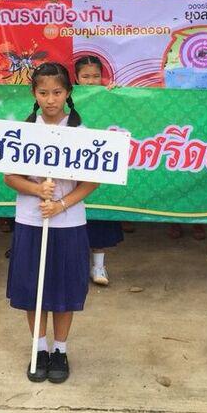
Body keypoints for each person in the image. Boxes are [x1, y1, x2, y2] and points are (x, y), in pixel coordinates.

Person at [4, 62, 99, 383]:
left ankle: (60, 349)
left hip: (69, 223)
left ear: (68, 93)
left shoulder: (81, 134)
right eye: (43, 93)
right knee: (34, 288)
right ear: (34, 93)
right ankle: (39, 348)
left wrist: (61, 204)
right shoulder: (24, 132)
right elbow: (10, 177)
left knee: (64, 287)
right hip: (30, 220)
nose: (50, 99)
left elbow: (92, 181)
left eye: (57, 92)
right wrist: (36, 189)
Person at [73, 55, 124, 286]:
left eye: (95, 76)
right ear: (76, 78)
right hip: (73, 163)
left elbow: (124, 114)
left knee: (100, 215)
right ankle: (76, 267)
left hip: (100, 161)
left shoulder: (108, 94)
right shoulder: (65, 96)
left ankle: (99, 266)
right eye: (85, 76)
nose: (91, 81)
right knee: (72, 218)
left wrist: (116, 95)